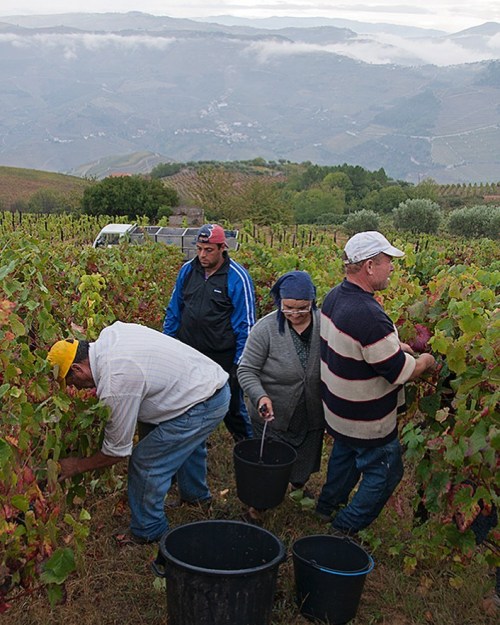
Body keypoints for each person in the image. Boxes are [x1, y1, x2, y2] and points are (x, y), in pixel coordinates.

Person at [47, 321, 230, 544]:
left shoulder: (116, 382)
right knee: (180, 444)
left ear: (77, 369)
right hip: (205, 382)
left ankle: (149, 529)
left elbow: (117, 452)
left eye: (71, 382)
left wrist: (77, 465)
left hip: (204, 402)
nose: (75, 388)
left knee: (146, 462)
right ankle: (196, 499)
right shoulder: (110, 335)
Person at [316, 231, 436, 535]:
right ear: (369, 266)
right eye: (387, 261)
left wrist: (394, 347)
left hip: (339, 410)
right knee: (385, 473)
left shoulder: (334, 296)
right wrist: (425, 362)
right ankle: (342, 529)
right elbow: (398, 372)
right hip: (366, 419)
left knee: (344, 458)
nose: (392, 267)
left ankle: (326, 508)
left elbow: (358, 349)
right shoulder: (368, 314)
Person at [163, 223, 256, 442]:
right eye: (199, 249)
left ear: (222, 248)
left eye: (209, 250)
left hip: (221, 355)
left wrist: (239, 364)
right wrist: (168, 344)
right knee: (186, 403)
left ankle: (247, 446)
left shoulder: (237, 277)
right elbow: (174, 310)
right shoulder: (188, 270)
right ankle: (194, 443)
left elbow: (247, 324)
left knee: (232, 406)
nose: (202, 255)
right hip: (189, 351)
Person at [237, 270, 325, 495]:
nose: (295, 314)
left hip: (311, 411)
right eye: (288, 307)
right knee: (269, 462)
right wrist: (260, 396)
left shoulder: (326, 325)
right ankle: (261, 502)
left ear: (313, 302)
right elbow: (246, 369)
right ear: (279, 302)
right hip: (273, 411)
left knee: (303, 461)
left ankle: (297, 486)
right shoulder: (265, 329)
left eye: (303, 307)